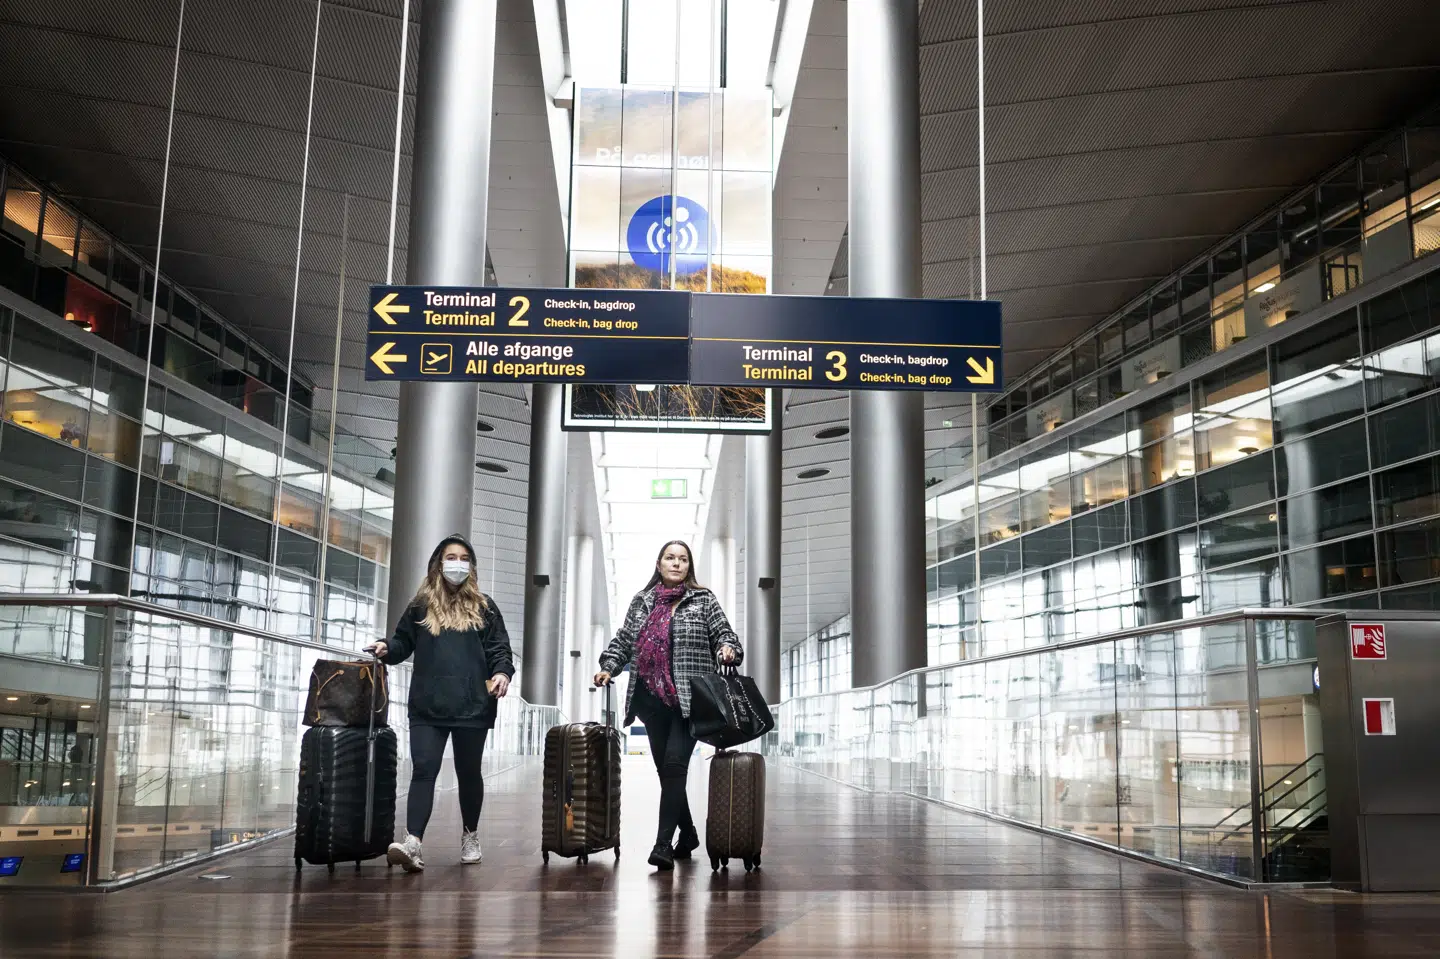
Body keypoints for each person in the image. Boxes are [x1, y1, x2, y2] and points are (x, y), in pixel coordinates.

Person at [365, 534, 514, 872]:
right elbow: (402, 642)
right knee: (424, 769)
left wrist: (502, 673)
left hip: (472, 705)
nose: (457, 564)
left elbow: (499, 649)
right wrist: (386, 647)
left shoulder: (485, 607)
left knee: (468, 772)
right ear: (438, 563)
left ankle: (470, 835)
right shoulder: (421, 605)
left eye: (464, 558)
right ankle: (413, 842)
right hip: (427, 704)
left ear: (471, 566)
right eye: (451, 557)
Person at [594, 539, 742, 870]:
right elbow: (624, 641)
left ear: (689, 566)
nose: (676, 563)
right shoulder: (642, 601)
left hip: (690, 700)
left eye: (683, 559)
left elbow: (724, 634)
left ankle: (663, 844)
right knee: (667, 770)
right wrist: (608, 667)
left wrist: (728, 649)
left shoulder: (703, 600)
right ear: (659, 564)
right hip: (651, 699)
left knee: (675, 766)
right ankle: (687, 834)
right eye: (670, 558)